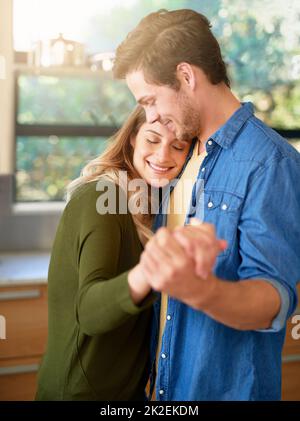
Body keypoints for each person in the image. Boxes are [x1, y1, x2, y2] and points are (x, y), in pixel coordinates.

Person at [113, 9, 300, 400]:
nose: (150, 116)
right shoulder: (184, 156)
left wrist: (201, 291)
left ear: (185, 76)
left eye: (150, 100)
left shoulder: (270, 162)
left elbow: (273, 300)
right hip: (168, 389)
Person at [35, 105, 193, 400]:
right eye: (152, 139)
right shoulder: (100, 197)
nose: (163, 156)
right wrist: (148, 272)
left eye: (178, 146)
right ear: (132, 137)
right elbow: (90, 311)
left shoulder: (155, 207)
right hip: (79, 395)